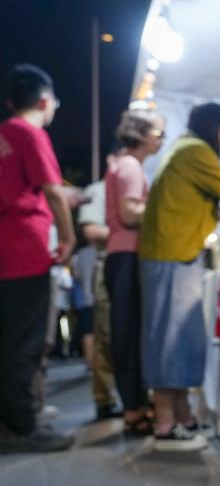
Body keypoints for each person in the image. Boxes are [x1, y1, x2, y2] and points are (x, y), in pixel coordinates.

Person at [139, 102, 220, 451]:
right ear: (214, 126)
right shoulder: (196, 151)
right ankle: (165, 423)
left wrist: (217, 209)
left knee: (181, 337)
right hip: (172, 255)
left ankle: (181, 415)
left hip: (172, 253)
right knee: (170, 338)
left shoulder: (182, 149)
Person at [0, 64, 74, 452]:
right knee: (25, 341)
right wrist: (68, 235)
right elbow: (53, 190)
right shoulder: (30, 132)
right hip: (24, 249)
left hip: (5, 247)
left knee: (9, 339)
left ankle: (13, 418)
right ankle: (21, 427)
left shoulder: (4, 134)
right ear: (44, 101)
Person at [104, 109, 165, 435]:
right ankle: (133, 409)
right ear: (140, 135)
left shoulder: (124, 164)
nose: (160, 140)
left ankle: (136, 404)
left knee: (129, 332)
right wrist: (160, 206)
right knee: (128, 333)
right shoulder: (129, 166)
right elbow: (129, 214)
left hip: (122, 256)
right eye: (157, 134)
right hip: (127, 255)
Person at [76, 170, 123, 420]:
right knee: (105, 334)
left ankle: (132, 398)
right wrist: (126, 232)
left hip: (133, 265)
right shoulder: (98, 190)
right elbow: (91, 230)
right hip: (108, 264)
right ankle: (105, 398)